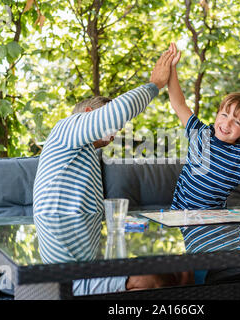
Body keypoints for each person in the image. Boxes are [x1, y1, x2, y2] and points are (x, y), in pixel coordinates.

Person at [33, 50, 192, 296]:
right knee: (151, 278)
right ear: (88, 115)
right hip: (68, 276)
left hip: (86, 265)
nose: (115, 133)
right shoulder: (67, 128)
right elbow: (118, 110)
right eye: (112, 126)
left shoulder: (84, 153)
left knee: (182, 269)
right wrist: (155, 84)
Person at [166, 42, 240, 214]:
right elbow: (179, 103)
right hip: (177, 215)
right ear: (217, 113)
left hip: (211, 222)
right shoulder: (200, 133)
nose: (226, 124)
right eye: (224, 115)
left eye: (237, 122)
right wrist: (172, 68)